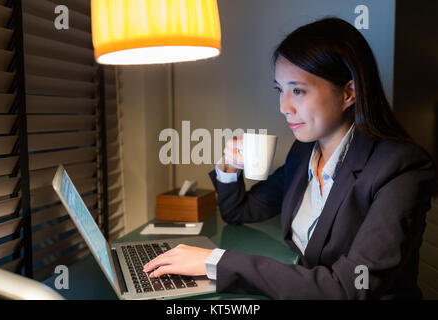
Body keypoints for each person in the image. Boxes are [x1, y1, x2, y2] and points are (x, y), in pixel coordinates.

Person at [143, 17, 437, 299]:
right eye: (280, 90)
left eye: (297, 90)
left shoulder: (401, 169)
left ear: (349, 93)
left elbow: (349, 288)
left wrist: (218, 263)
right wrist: (228, 167)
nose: (284, 106)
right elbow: (240, 212)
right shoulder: (303, 153)